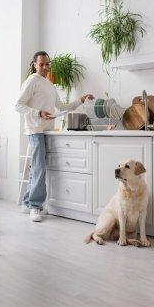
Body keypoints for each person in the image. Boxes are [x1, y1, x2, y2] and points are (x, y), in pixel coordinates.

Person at [15, 51, 93, 222]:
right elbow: (18, 105)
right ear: (34, 64)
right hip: (35, 130)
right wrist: (37, 113)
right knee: (40, 168)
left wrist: (81, 100)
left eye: (47, 64)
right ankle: (35, 206)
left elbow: (62, 106)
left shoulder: (50, 85)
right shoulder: (32, 81)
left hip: (48, 130)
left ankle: (27, 201)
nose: (44, 67)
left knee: (38, 168)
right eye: (41, 64)